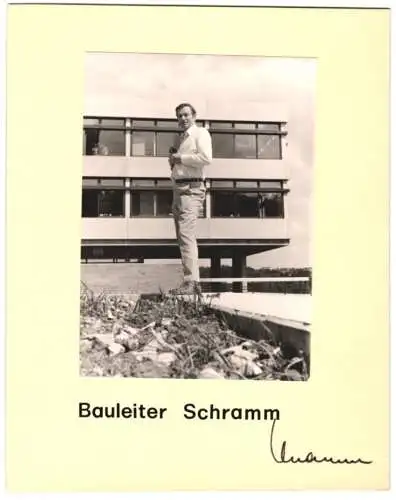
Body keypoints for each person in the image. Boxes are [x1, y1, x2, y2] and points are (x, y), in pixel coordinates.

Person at [168, 102, 212, 294]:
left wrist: (180, 159)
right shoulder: (181, 138)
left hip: (191, 188)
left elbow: (206, 158)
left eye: (186, 115)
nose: (183, 119)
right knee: (182, 237)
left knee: (186, 235)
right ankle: (192, 282)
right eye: (179, 116)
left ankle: (191, 283)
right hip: (179, 190)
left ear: (194, 116)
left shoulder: (200, 133)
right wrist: (174, 163)